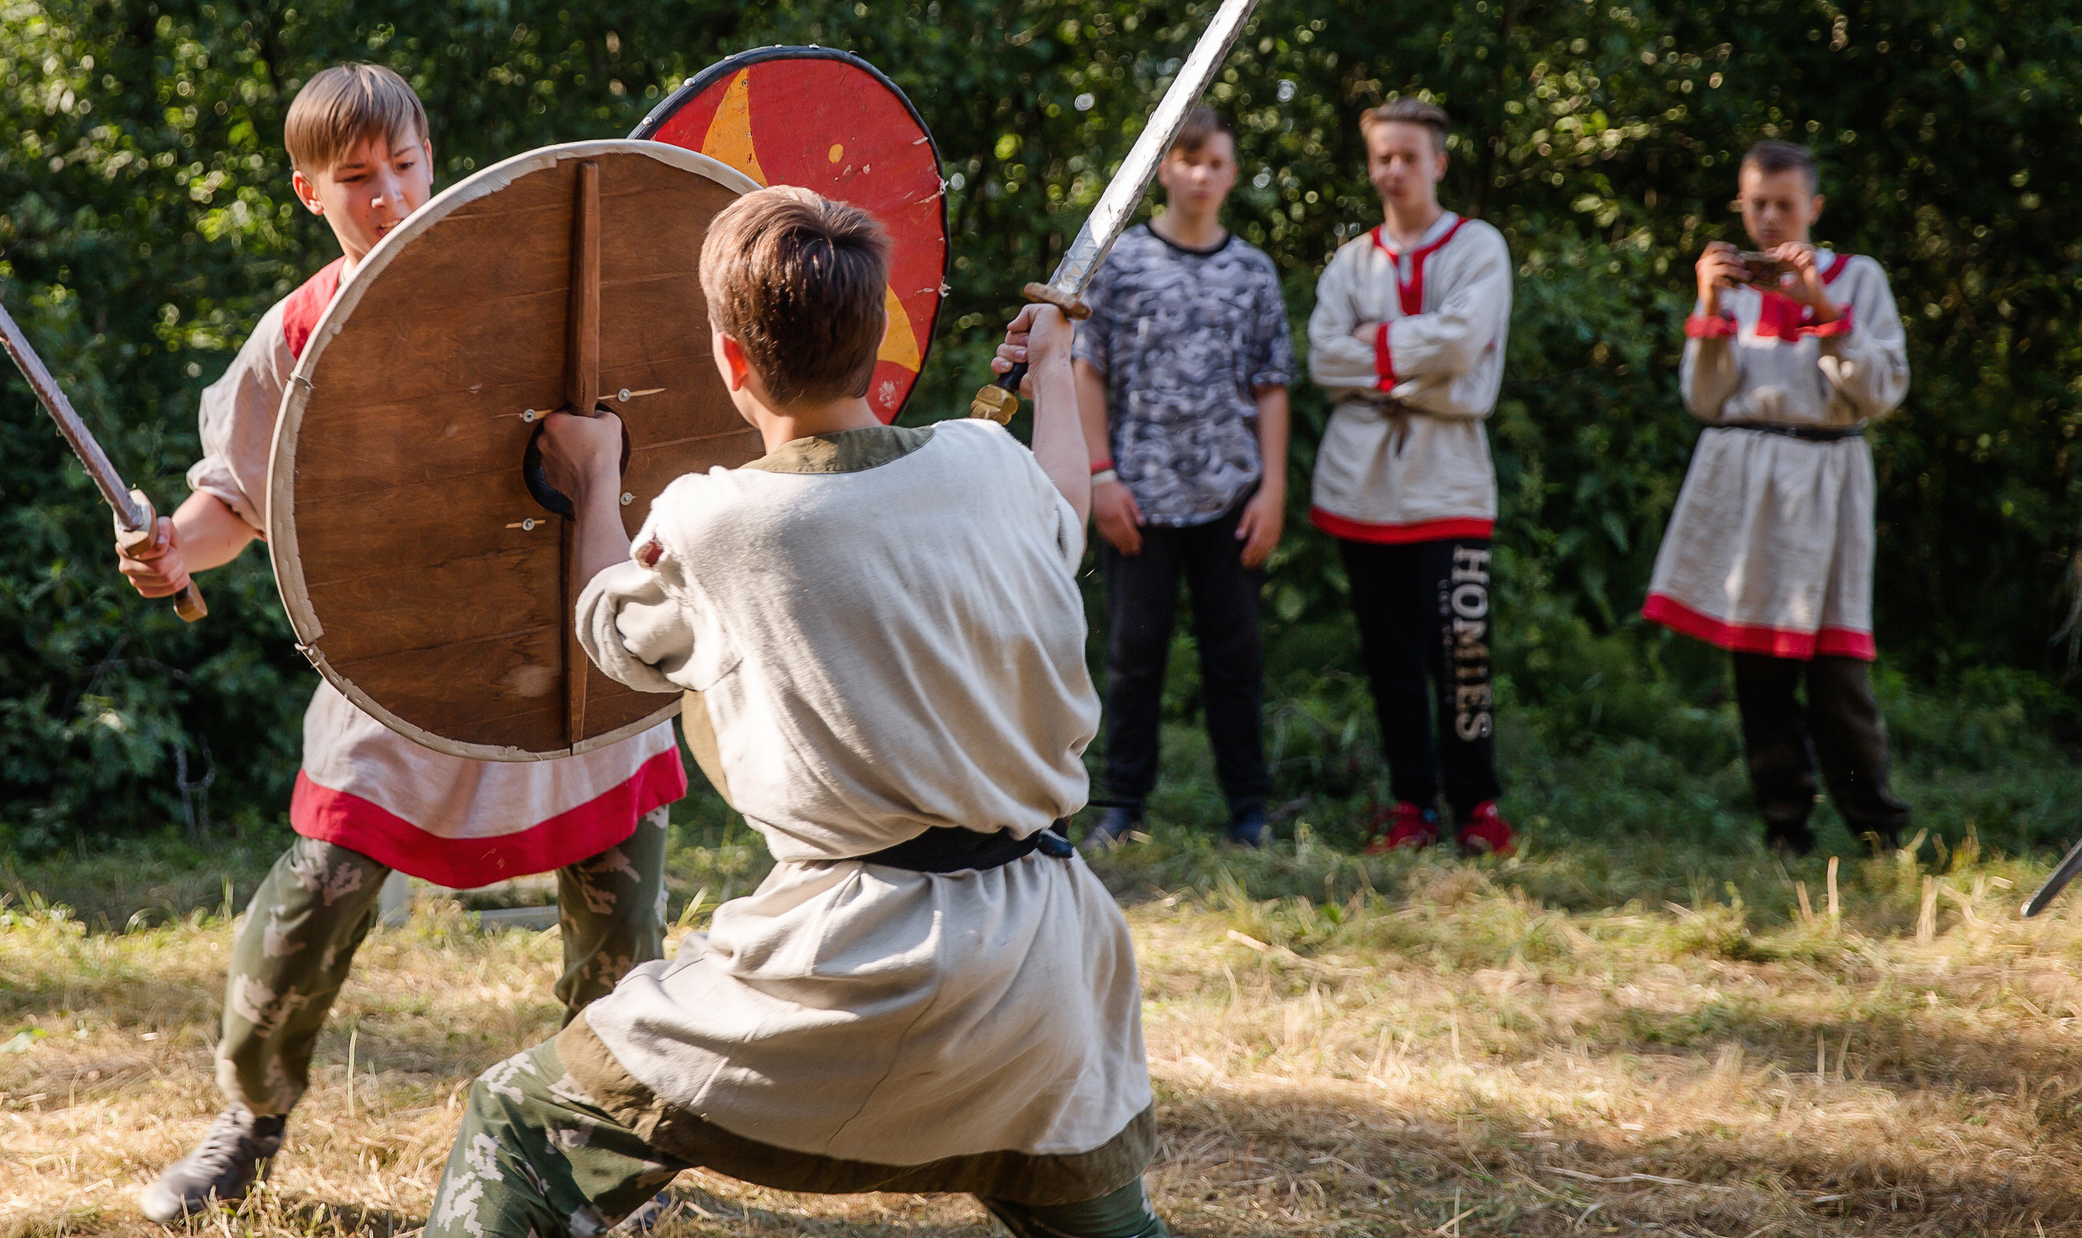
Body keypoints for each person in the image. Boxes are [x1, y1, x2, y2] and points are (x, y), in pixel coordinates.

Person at [420, 187, 1163, 1238]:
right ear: (876, 339)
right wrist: (1054, 367)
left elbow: (610, 631)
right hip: (1047, 958)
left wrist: (595, 482)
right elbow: (1063, 507)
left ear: (730, 359)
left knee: (522, 1124)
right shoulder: (987, 464)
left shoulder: (719, 522)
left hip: (860, 965)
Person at [118, 65, 685, 1224]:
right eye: (356, 180)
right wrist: (172, 546)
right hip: (403, 659)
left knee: (618, 915)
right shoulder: (300, 331)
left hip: (575, 636)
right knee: (318, 888)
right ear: (308, 191)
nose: (387, 198)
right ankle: (249, 1115)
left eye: (406, 167)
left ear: (436, 156)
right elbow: (240, 496)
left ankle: (609, 1153)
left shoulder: (535, 277)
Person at [1642, 140, 1911, 854]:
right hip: (1747, 485)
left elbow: (1881, 389)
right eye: (1756, 202)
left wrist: (1822, 307)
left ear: (1813, 208)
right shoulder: (1728, 285)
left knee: (1836, 673)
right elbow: (1705, 397)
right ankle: (1784, 827)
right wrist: (1708, 303)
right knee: (1758, 669)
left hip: (1826, 481)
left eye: (1783, 204)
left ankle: (1876, 828)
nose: (1767, 218)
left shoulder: (1859, 278)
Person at [1073, 104, 1292, 851]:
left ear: (1233, 174)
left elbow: (1271, 383)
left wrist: (1273, 489)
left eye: (1216, 162)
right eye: (1187, 159)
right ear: (1164, 168)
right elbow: (1086, 370)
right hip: (1139, 495)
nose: (1201, 174)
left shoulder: (1253, 271)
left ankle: (1249, 812)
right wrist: (1100, 475)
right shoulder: (1124, 261)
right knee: (1133, 655)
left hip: (1232, 496)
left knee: (1236, 658)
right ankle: (1123, 806)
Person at [1307, 99, 1516, 857]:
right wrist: (1422, 367)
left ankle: (1477, 806)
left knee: (1461, 653)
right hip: (1361, 491)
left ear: (1439, 163)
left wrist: (1376, 359)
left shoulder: (1478, 248)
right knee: (1390, 659)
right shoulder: (1351, 262)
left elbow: (1466, 353)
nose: (1393, 171)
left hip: (1451, 488)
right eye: (1381, 157)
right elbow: (1324, 356)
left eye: (1408, 156)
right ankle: (1410, 806)